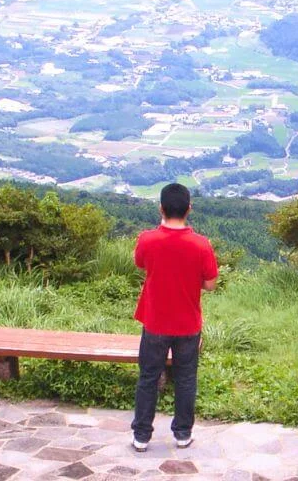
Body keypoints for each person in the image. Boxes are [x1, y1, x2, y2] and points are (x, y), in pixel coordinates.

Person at [130, 183, 218, 452]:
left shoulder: (147, 239)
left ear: (161, 208)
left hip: (155, 321)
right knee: (186, 378)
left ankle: (142, 436)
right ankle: (182, 433)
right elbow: (211, 284)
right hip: (188, 324)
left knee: (148, 377)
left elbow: (141, 264)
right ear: (189, 209)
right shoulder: (201, 244)